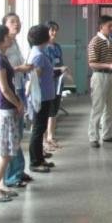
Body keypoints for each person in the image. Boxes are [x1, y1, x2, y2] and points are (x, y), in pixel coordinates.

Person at [0, 25, 25, 202]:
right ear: (0, 40)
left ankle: (0, 184)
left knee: (5, 151)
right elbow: (4, 89)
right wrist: (18, 104)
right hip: (2, 110)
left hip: (6, 109)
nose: (10, 38)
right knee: (4, 152)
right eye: (7, 36)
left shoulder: (1, 57)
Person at [2, 13, 33, 187]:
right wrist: (20, 68)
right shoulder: (3, 45)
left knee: (18, 133)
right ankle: (11, 176)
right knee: (12, 135)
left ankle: (18, 170)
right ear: (4, 24)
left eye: (18, 21)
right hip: (11, 90)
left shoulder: (14, 42)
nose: (17, 24)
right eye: (12, 22)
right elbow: (3, 70)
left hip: (20, 87)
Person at [87, 15, 112, 148]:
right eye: (109, 26)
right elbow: (92, 63)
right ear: (101, 27)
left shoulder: (111, 41)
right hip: (99, 76)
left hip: (111, 76)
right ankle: (93, 137)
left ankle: (107, 134)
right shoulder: (95, 41)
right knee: (98, 108)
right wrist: (108, 65)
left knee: (111, 108)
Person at [27, 25, 56, 172]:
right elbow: (35, 78)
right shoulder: (38, 55)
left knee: (40, 128)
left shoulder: (38, 52)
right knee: (38, 130)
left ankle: (40, 158)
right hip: (41, 98)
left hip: (44, 96)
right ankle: (35, 162)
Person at [44, 21, 68, 150]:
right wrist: (59, 69)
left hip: (58, 82)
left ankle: (51, 136)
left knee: (54, 111)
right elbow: (45, 67)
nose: (54, 33)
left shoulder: (57, 46)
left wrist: (64, 70)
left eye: (55, 30)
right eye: (51, 30)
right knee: (47, 110)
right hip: (48, 82)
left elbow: (60, 63)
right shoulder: (43, 48)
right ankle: (45, 140)